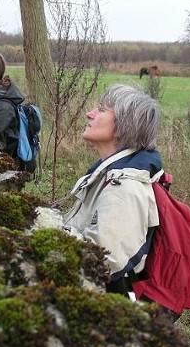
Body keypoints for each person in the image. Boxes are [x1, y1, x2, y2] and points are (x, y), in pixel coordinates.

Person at [63, 84, 162, 296]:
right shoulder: (109, 173)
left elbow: (102, 260)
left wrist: (47, 235)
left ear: (124, 125)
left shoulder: (125, 188)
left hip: (103, 307)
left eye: (101, 109)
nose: (89, 113)